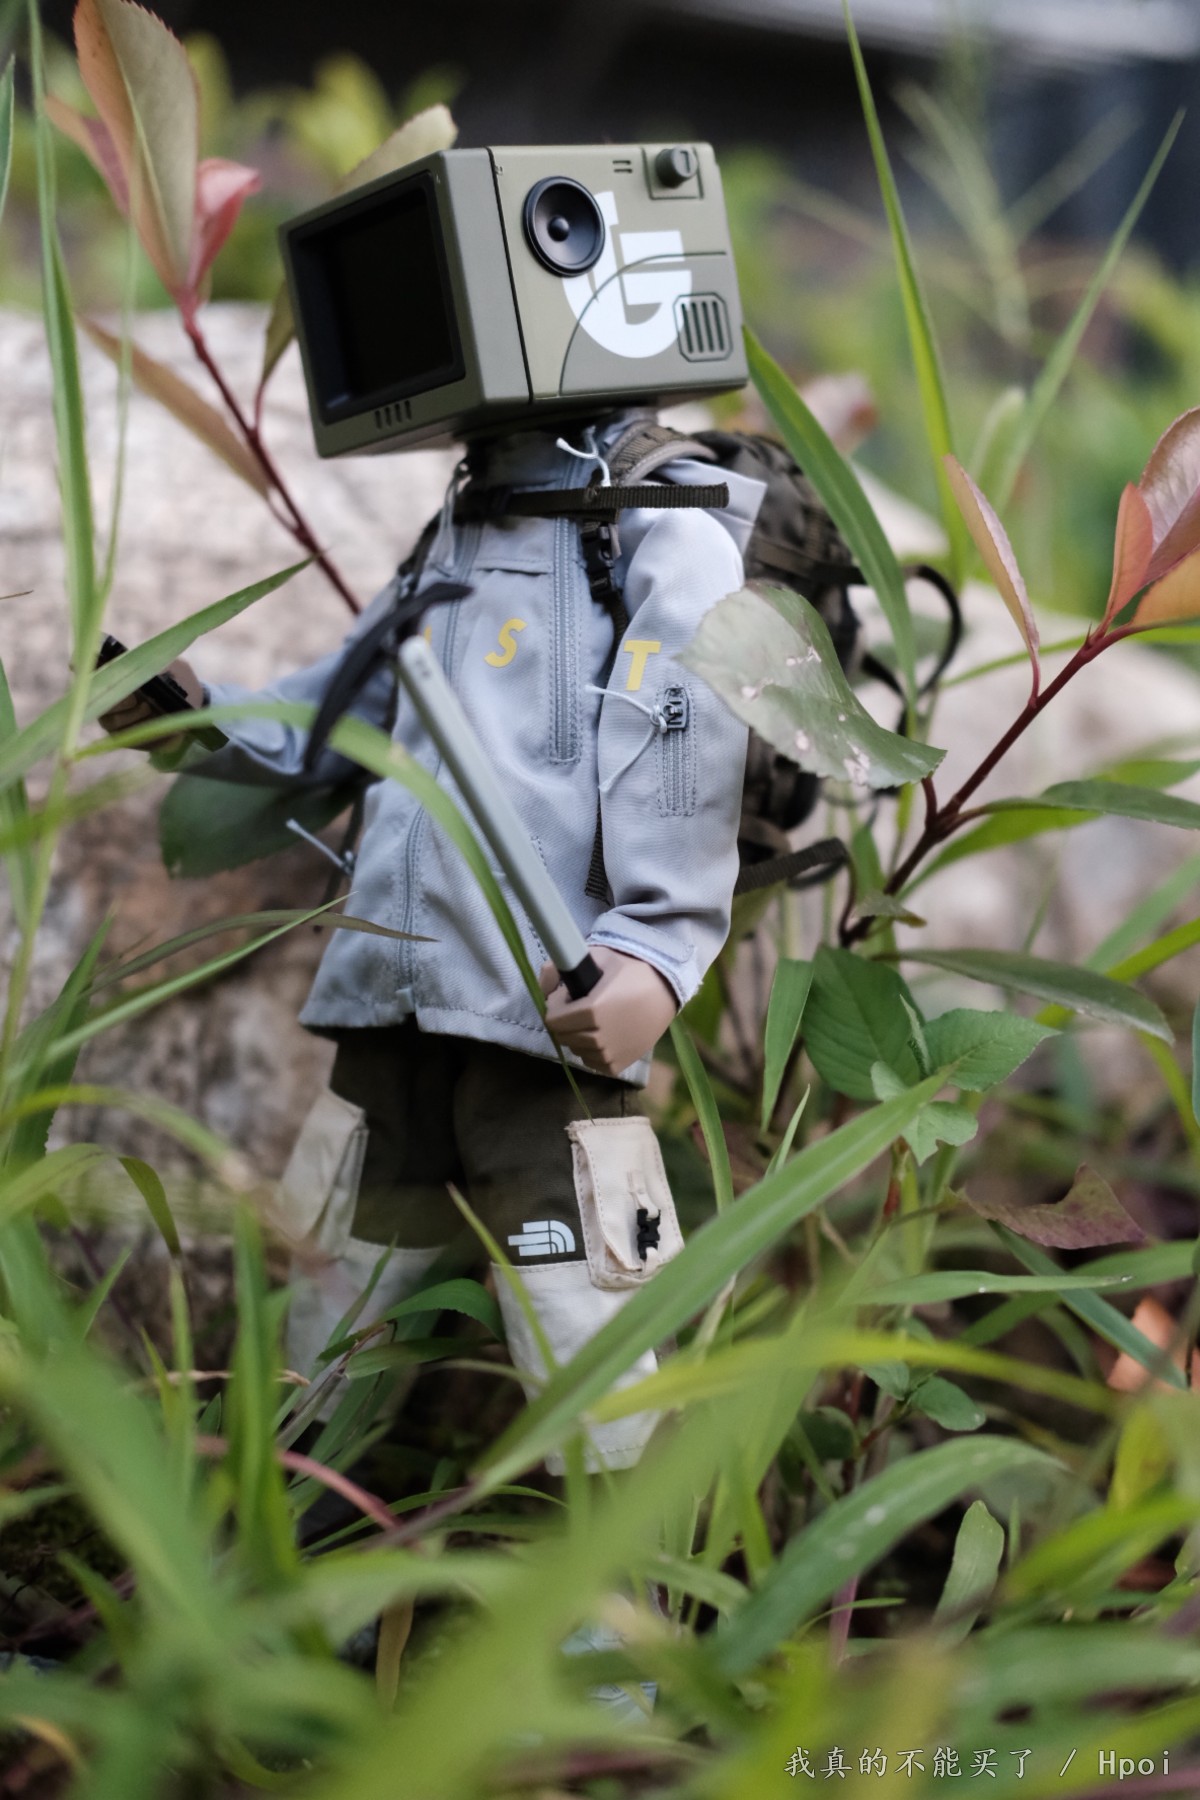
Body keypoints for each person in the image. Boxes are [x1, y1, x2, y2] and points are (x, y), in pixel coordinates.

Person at [103, 406, 762, 1473]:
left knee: (580, 1298)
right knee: (340, 1278)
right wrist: (204, 718)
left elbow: (686, 745)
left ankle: (623, 1562)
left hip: (544, 1005)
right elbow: (345, 703)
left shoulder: (657, 521)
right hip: (393, 986)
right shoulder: (462, 521)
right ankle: (294, 1513)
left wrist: (658, 946)